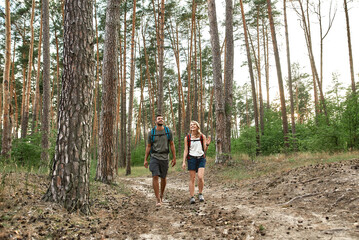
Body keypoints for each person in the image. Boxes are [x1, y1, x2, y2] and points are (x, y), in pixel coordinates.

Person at [144, 115, 176, 206]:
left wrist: (174, 158)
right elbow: (148, 146)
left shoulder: (168, 131)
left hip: (165, 157)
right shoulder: (151, 133)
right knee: (155, 176)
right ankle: (157, 198)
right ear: (155, 121)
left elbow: (172, 144)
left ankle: (161, 195)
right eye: (159, 119)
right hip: (154, 157)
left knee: (163, 177)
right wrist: (145, 159)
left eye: (162, 118)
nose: (161, 120)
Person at [182, 121, 211, 204]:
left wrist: (207, 145)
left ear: (197, 126)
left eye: (194, 124)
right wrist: (184, 162)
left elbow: (204, 149)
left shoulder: (202, 136)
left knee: (200, 177)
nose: (192, 126)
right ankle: (192, 197)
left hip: (201, 158)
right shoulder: (187, 138)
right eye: (191, 125)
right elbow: (186, 150)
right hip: (191, 159)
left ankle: (200, 194)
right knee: (192, 178)